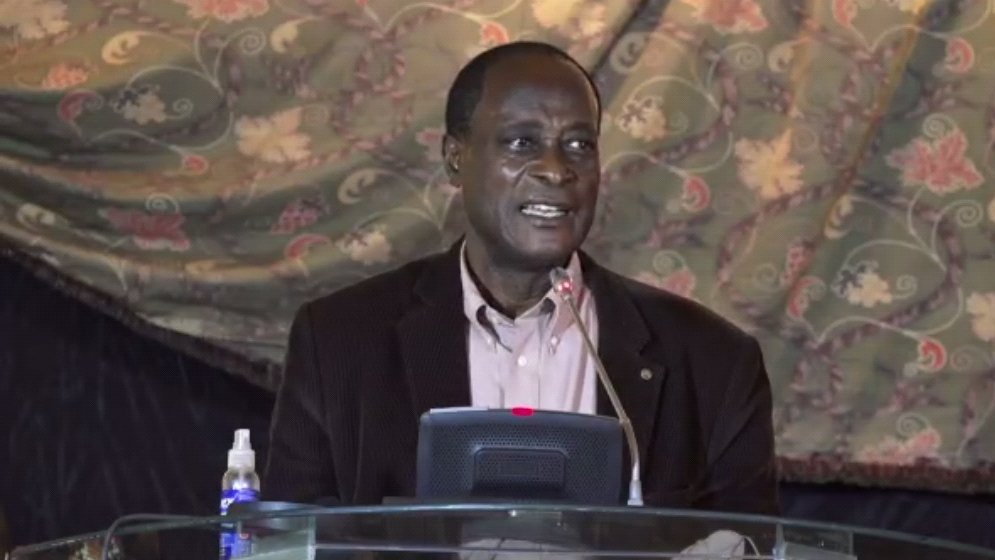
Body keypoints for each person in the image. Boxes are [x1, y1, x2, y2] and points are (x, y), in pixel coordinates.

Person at [264, 42, 778, 515]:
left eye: (579, 145)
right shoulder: (339, 341)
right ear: (455, 159)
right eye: (522, 141)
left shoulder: (713, 361)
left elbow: (752, 558)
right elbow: (283, 554)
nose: (556, 169)